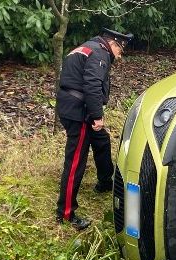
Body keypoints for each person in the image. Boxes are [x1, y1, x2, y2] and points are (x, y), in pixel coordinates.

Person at [55, 28, 133, 230]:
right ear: (114, 43)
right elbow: (92, 85)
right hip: (79, 111)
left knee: (101, 140)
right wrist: (97, 115)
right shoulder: (100, 52)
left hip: (73, 105)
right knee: (75, 162)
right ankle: (65, 213)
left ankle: (105, 181)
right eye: (120, 51)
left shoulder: (87, 46)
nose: (119, 56)